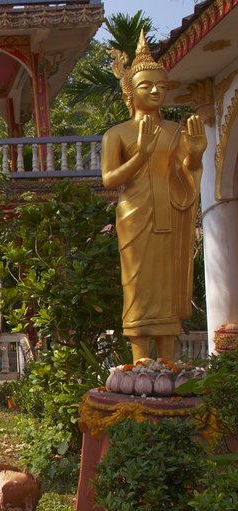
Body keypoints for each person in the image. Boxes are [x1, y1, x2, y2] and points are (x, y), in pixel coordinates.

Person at [102, 31, 207, 362]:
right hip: (135, 214)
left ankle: (169, 361)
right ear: (130, 92)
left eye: (161, 85)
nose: (156, 91)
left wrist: (195, 156)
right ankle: (140, 360)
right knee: (138, 286)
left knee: (167, 285)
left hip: (172, 212)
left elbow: (184, 174)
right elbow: (109, 180)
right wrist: (141, 156)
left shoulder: (176, 131)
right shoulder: (117, 133)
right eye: (147, 85)